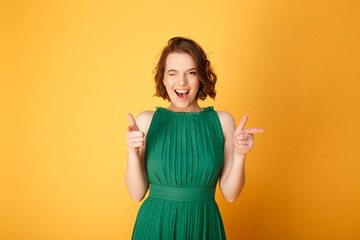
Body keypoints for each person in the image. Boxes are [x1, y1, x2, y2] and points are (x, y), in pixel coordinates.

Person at [125, 36, 264, 239]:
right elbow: (137, 194)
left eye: (191, 73)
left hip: (204, 227)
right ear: (163, 78)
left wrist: (241, 155)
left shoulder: (222, 121)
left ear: (201, 77)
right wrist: (132, 151)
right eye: (173, 73)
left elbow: (231, 194)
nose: (182, 82)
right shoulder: (146, 121)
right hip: (155, 227)